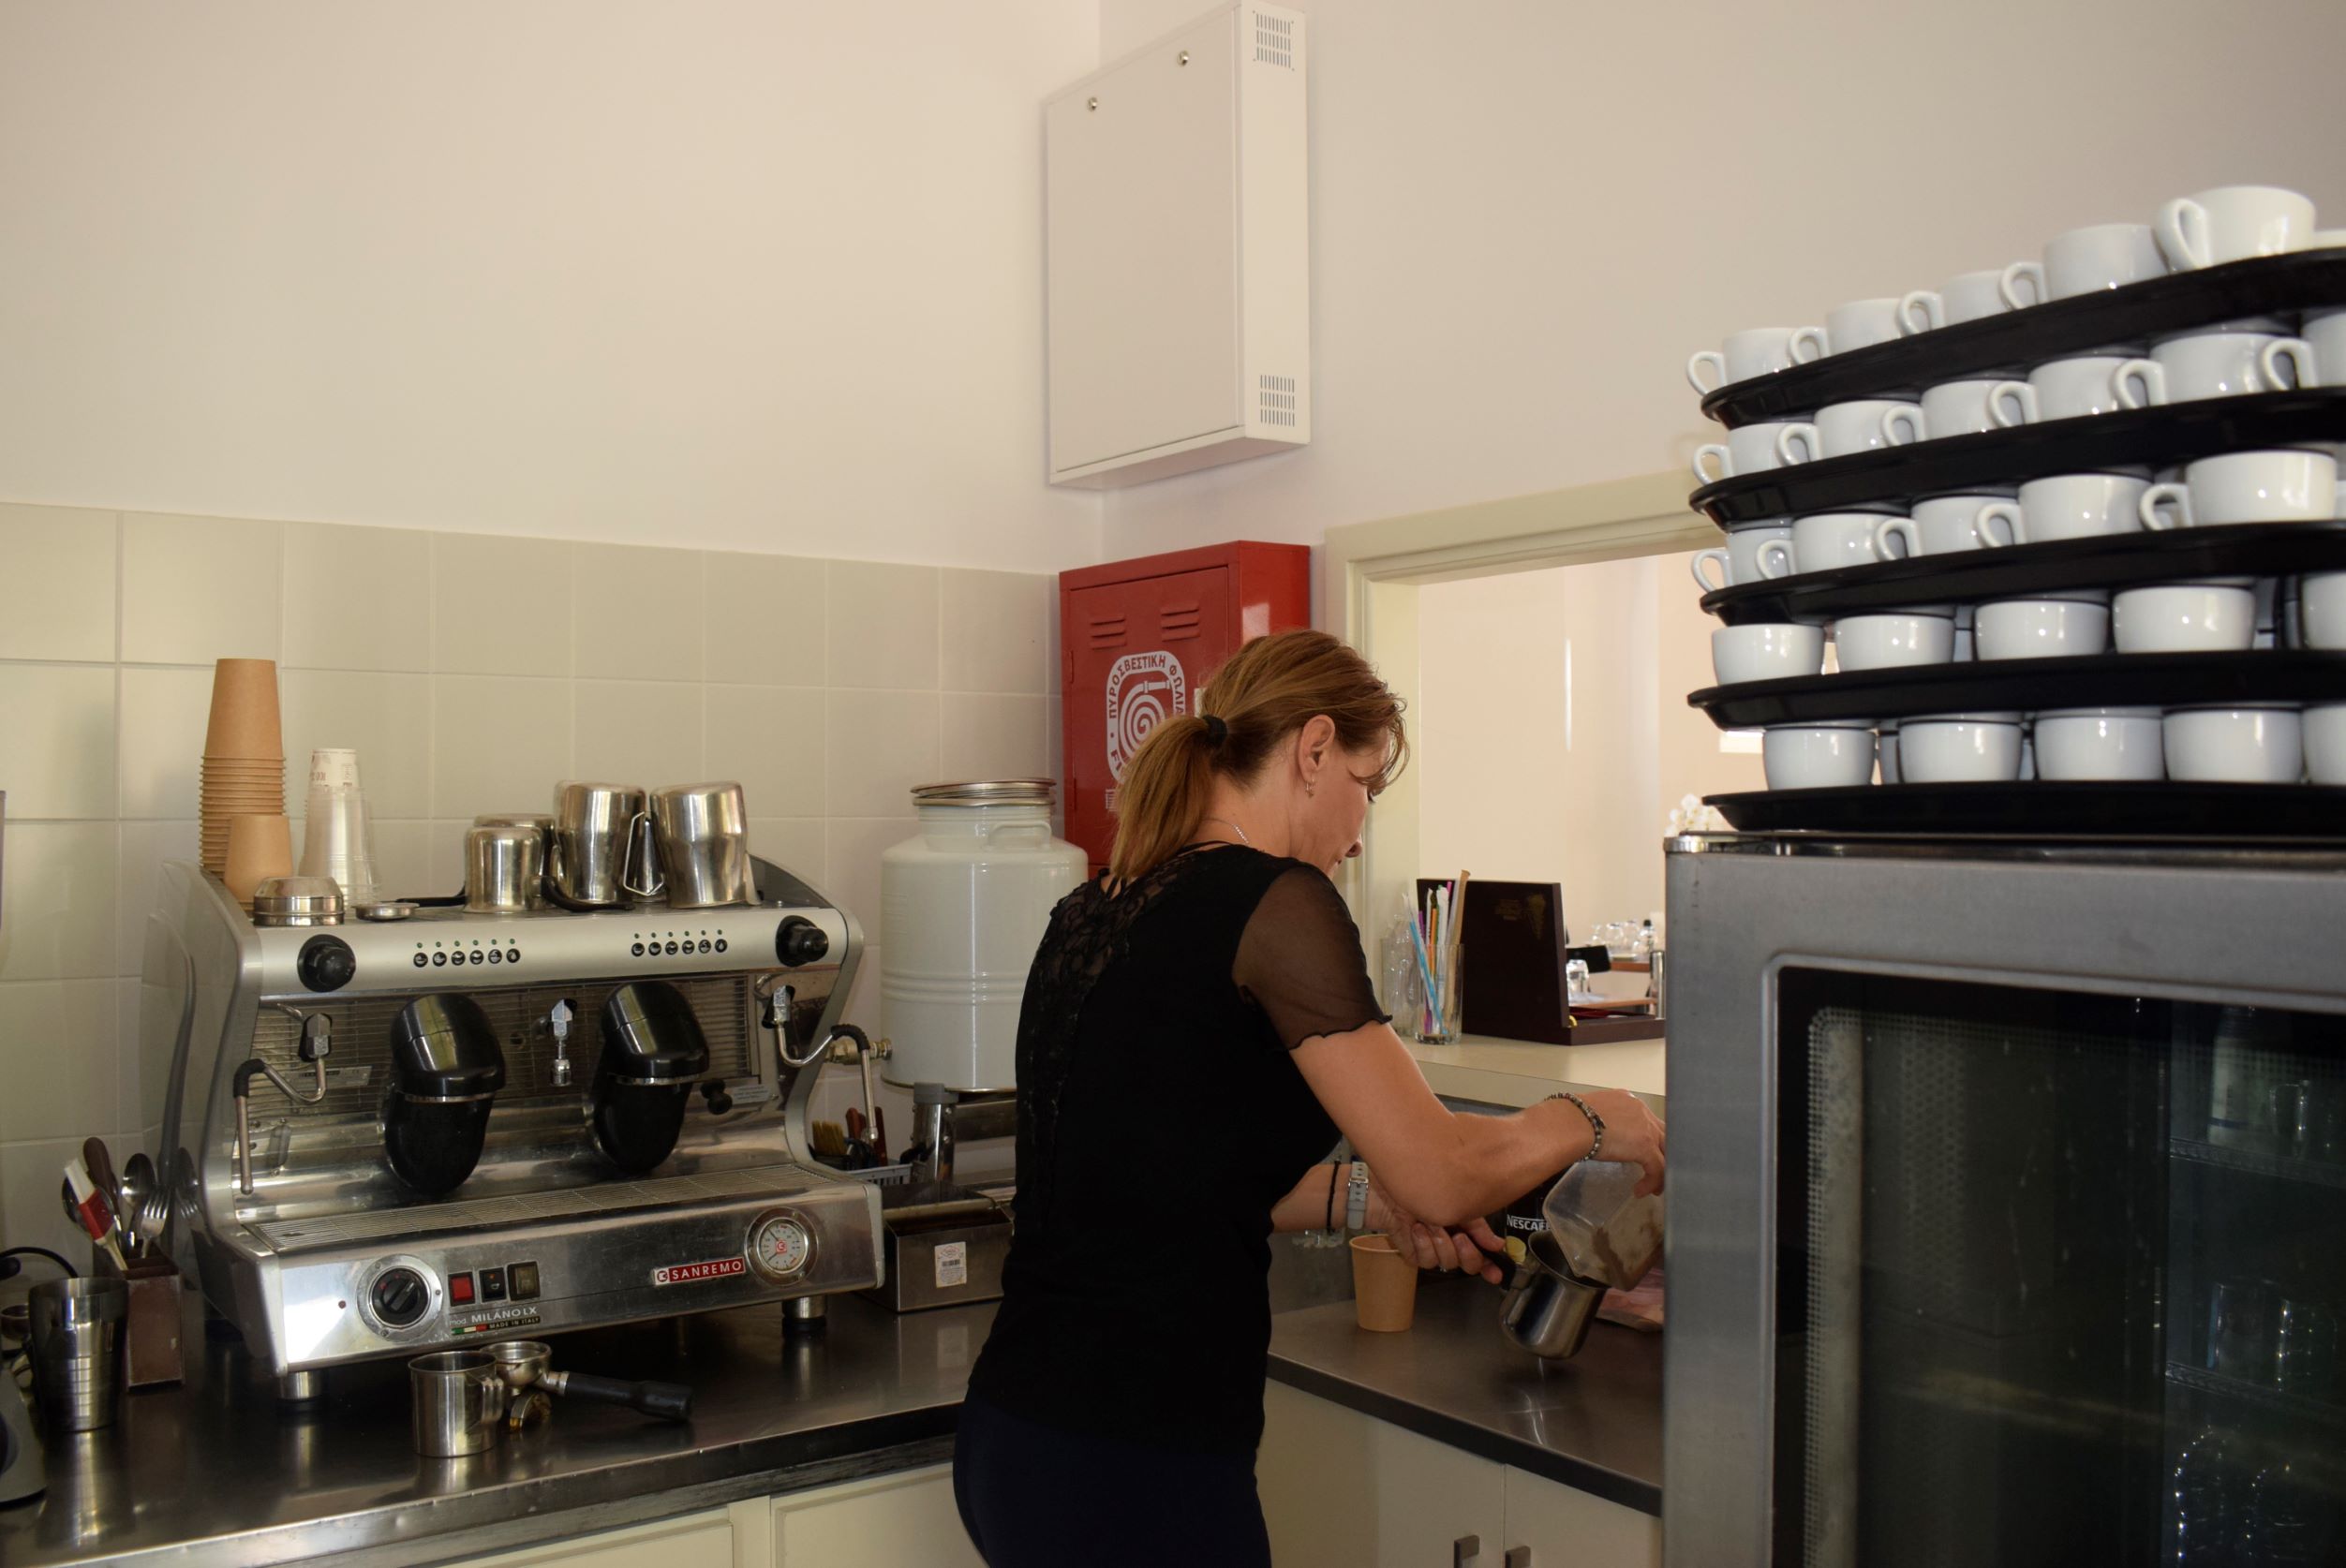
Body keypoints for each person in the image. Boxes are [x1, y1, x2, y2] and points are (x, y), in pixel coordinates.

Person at [952, 629, 1666, 1567]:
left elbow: (1168, 1179)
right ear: (1314, 748)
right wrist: (1590, 1118)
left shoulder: (1099, 906)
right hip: (1135, 1456)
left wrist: (1373, 1198)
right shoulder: (1276, 901)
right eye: (1367, 784)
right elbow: (1446, 1173)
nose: (1361, 830)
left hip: (1019, 1433)